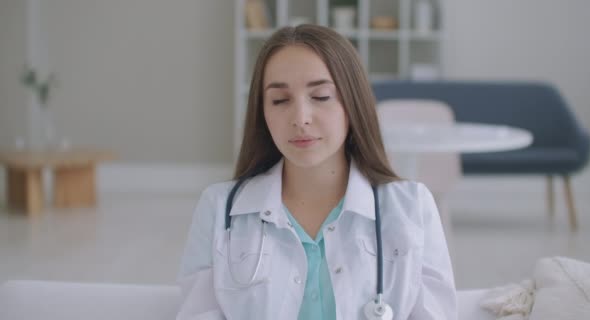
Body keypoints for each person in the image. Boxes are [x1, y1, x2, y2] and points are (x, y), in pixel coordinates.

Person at [176, 24, 456, 320]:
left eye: (321, 96)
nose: (300, 118)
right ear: (262, 111)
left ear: (352, 103)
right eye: (280, 100)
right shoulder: (218, 208)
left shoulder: (412, 206)